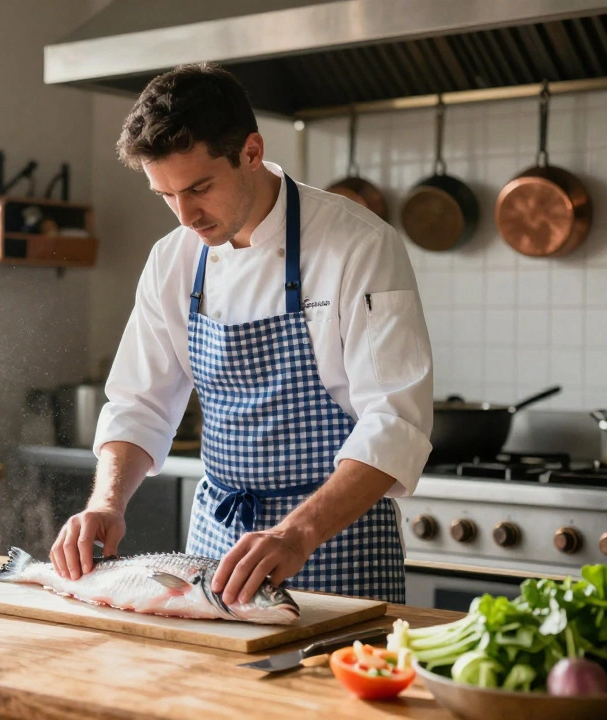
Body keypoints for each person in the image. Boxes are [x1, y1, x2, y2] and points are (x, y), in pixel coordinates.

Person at [50, 62, 433, 606]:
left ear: (251, 152)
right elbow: (140, 404)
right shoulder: (174, 261)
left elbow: (396, 421)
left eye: (199, 188)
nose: (185, 216)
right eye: (165, 195)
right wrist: (107, 503)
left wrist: (295, 533)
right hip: (215, 546)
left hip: (335, 540)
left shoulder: (358, 246)